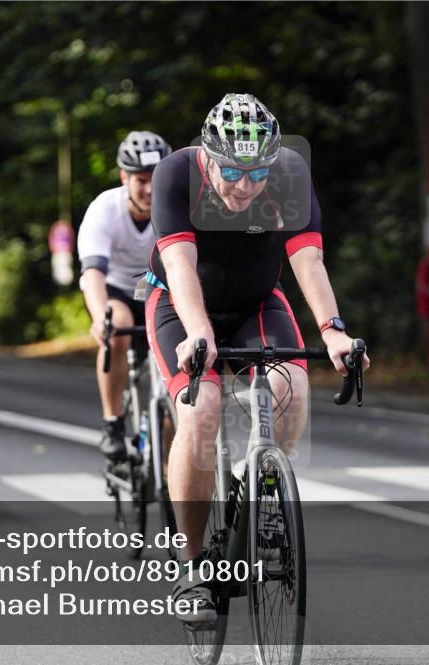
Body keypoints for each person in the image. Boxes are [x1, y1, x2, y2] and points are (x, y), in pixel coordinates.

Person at [145, 94, 370, 623]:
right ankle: (193, 567)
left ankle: (259, 485)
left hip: (256, 301)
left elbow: (308, 260)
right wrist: (199, 333)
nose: (244, 185)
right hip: (181, 303)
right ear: (207, 155)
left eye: (256, 172)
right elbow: (179, 267)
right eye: (231, 171)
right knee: (201, 412)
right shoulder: (176, 174)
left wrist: (334, 332)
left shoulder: (290, 173)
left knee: (291, 387)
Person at [78, 131, 172, 460]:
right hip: (115, 285)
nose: (149, 189)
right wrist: (101, 317)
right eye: (141, 180)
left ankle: (168, 455)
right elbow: (93, 274)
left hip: (154, 286)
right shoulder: (104, 209)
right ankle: (113, 422)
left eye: (156, 179)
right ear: (124, 177)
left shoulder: (175, 207)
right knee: (117, 326)